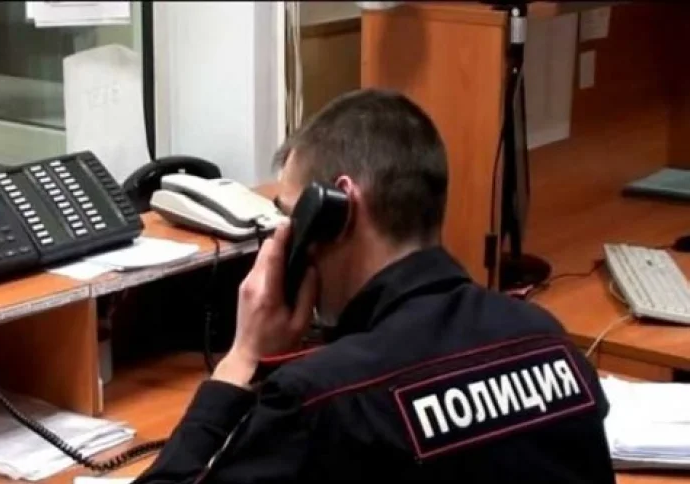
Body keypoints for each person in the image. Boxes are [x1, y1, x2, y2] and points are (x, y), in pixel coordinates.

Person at [134, 89, 615, 483]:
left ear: (336, 210)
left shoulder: (320, 400)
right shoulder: (550, 342)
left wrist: (241, 358)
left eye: (291, 217)